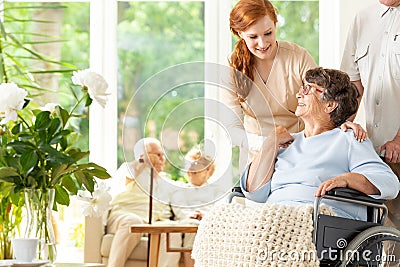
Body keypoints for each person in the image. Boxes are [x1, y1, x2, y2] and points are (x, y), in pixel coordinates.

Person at [223, 0, 366, 172]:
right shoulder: (233, 70)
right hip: (256, 156)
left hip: (300, 153)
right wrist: (270, 143)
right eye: (253, 37)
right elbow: (232, 129)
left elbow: (323, 101)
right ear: (240, 33)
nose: (262, 43)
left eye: (268, 33)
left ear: (275, 24)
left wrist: (343, 125)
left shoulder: (297, 58)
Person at [240, 67, 399, 220]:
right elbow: (253, 191)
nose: (298, 95)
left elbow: (389, 183)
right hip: (274, 219)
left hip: (318, 221)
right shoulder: (286, 143)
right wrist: (271, 141)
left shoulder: (347, 139)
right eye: (301, 88)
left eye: (308, 89)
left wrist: (347, 179)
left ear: (330, 105)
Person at [340, 0, 400, 226]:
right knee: (382, 242)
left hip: (396, 147)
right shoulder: (362, 20)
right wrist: (342, 129)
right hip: (377, 156)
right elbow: (353, 86)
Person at [106, 137, 181, 267]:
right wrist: (142, 161)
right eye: (157, 154)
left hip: (155, 223)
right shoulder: (130, 168)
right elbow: (127, 179)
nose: (162, 159)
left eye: (163, 155)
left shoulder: (166, 181)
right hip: (126, 216)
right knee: (133, 222)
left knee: (172, 231)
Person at [169, 146, 225, 267]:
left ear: (208, 170)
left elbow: (220, 212)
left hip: (210, 226)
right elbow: (180, 211)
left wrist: (204, 217)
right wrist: (193, 216)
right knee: (193, 226)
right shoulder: (179, 191)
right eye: (188, 167)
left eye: (195, 167)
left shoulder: (218, 192)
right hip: (189, 226)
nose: (190, 171)